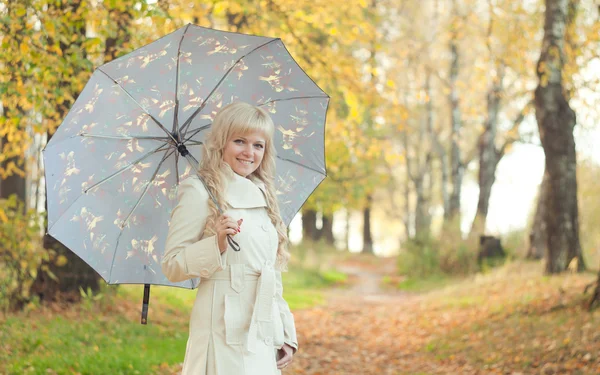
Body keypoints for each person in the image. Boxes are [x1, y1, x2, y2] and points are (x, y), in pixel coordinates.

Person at [161, 101, 297, 375]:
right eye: (240, 141)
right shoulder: (199, 191)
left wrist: (284, 331)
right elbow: (172, 265)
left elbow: (269, 273)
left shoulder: (264, 195)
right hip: (221, 329)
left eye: (258, 145)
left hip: (260, 329)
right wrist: (216, 244)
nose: (249, 152)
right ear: (222, 142)